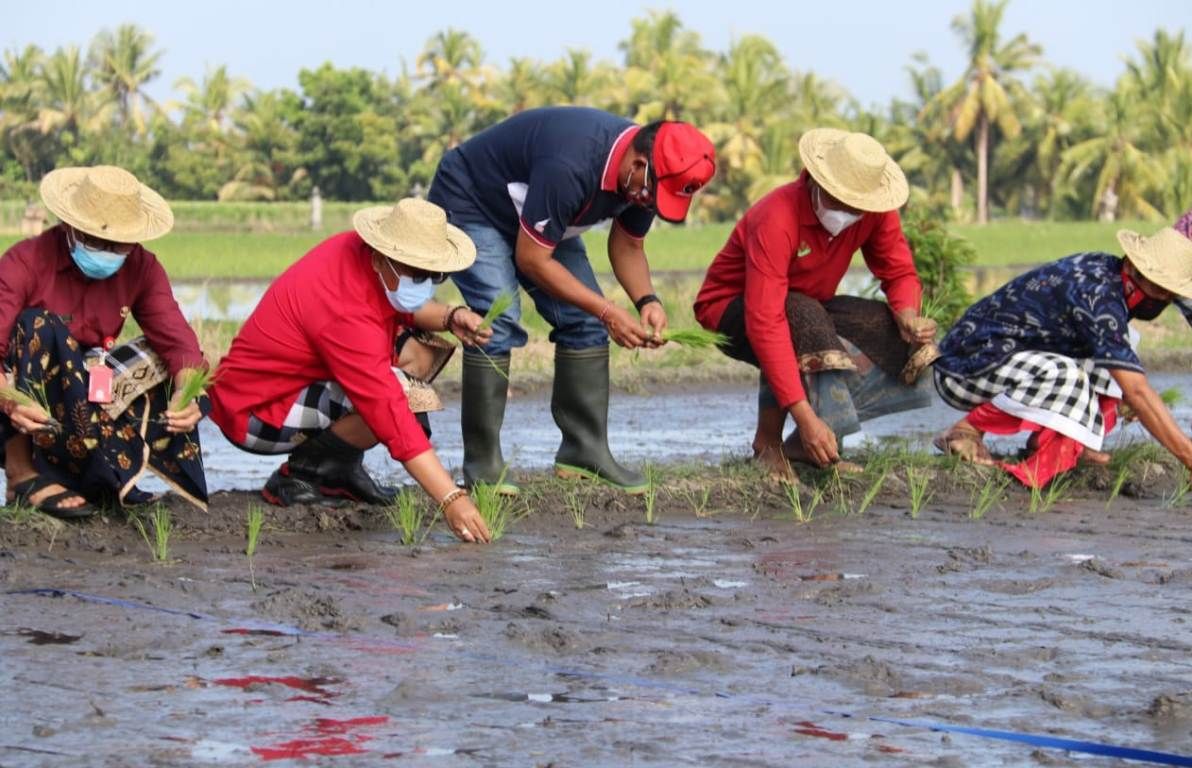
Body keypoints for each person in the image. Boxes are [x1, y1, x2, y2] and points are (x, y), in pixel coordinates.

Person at [428, 106, 716, 494]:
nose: (648, 202)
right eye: (650, 192)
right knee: (499, 318)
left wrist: (647, 300)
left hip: (534, 211)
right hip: (472, 200)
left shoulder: (643, 183)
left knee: (586, 322)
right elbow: (532, 259)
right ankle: (483, 464)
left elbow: (629, 244)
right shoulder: (572, 164)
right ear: (639, 161)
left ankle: (583, 452)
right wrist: (609, 309)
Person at [209, 198, 492, 544]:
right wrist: (452, 499)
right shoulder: (343, 307)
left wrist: (451, 316)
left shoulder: (363, 259)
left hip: (296, 382)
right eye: (418, 273)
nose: (427, 282)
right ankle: (301, 476)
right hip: (256, 410)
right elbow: (387, 409)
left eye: (436, 274)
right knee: (403, 395)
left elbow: (403, 308)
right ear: (381, 255)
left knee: (418, 352)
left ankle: (340, 470)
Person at [693, 129, 937, 479]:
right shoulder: (777, 217)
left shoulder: (873, 210)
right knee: (798, 318)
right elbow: (766, 320)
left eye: (860, 204)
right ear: (822, 184)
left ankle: (809, 443)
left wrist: (908, 315)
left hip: (809, 306)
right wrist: (804, 414)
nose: (854, 211)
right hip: (732, 307)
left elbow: (899, 273)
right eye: (845, 201)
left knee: (904, 343)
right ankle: (769, 444)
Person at [0, 166, 208, 518]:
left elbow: (179, 344)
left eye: (119, 243)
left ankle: (98, 474)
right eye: (97, 240)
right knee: (36, 325)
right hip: (24, 388)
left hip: (86, 385)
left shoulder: (141, 266)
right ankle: (22, 475)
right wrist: (9, 401)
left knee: (164, 360)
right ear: (70, 226)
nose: (109, 251)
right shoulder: (26, 262)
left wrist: (187, 395)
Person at [932, 226, 1192, 487]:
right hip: (964, 367)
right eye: (1160, 291)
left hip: (1008, 356)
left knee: (1125, 348)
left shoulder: (1110, 273)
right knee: (1065, 374)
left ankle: (1074, 441)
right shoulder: (1097, 297)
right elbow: (1137, 391)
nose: (1164, 299)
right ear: (1135, 270)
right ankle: (966, 430)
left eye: (1171, 294)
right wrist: (1188, 456)